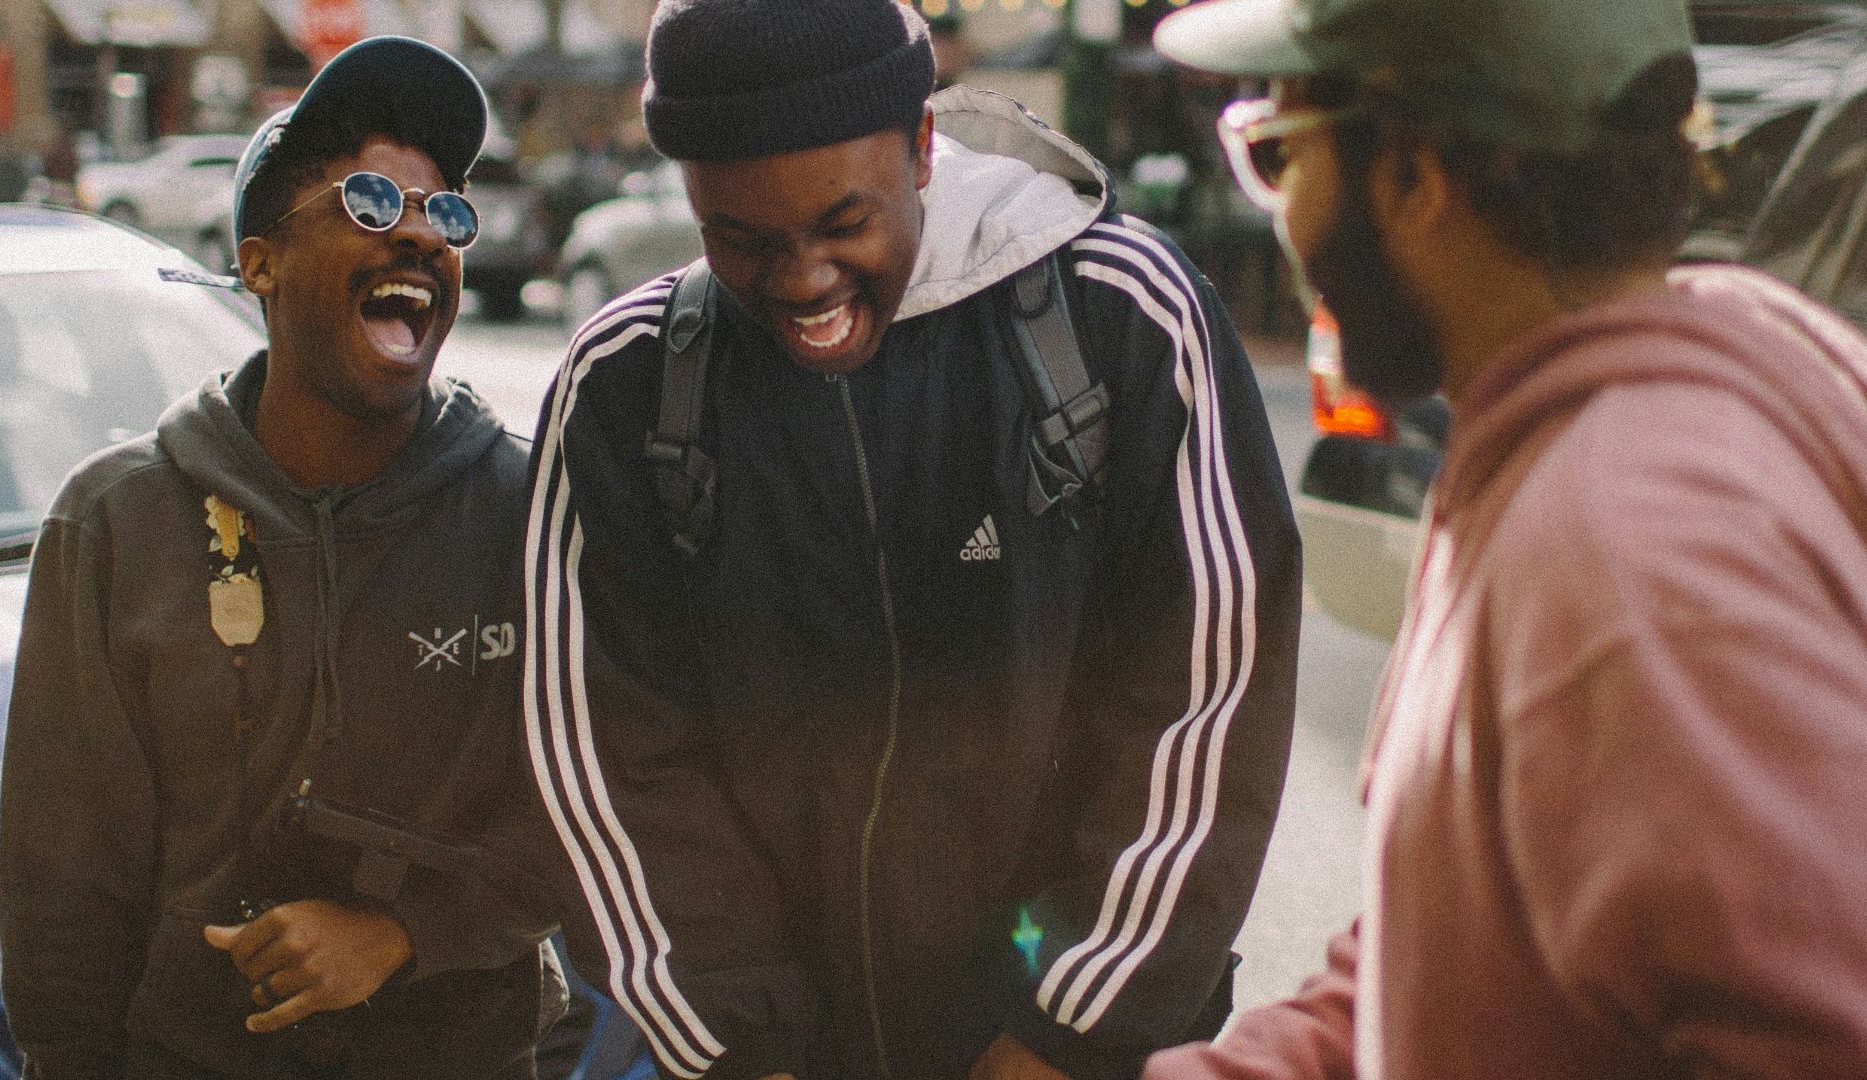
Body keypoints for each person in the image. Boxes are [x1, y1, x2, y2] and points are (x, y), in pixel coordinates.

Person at [523, 2, 1302, 1079]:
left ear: (924, 147)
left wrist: (1062, 1034)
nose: (802, 281)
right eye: (742, 238)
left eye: (844, 222)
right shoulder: (622, 388)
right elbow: (608, 763)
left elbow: (1206, 702)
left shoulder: (1125, 315)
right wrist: (744, 1045)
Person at [1145, 0, 1867, 1076]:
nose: (1282, 216)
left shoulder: (1627, 563)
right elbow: (1449, 938)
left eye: (1278, 151)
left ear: (1416, 174)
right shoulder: (1695, 366)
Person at [0, 36, 566, 1079]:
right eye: (367, 204)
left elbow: (605, 814)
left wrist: (405, 933)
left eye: (444, 214)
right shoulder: (115, 524)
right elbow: (63, 897)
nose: (418, 237)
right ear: (259, 261)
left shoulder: (529, 505)